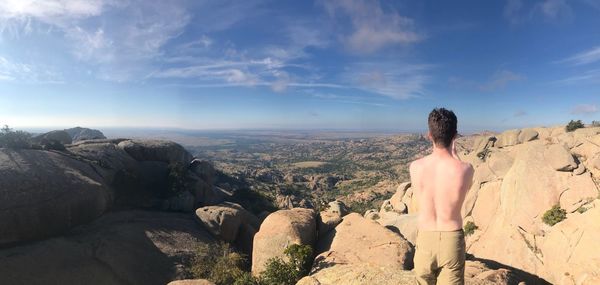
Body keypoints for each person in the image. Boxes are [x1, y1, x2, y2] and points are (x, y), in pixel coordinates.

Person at [410, 108, 474, 285]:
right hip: (452, 239)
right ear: (455, 136)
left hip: (425, 238)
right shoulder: (466, 169)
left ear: (429, 135)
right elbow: (466, 186)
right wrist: (455, 155)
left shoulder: (415, 167)